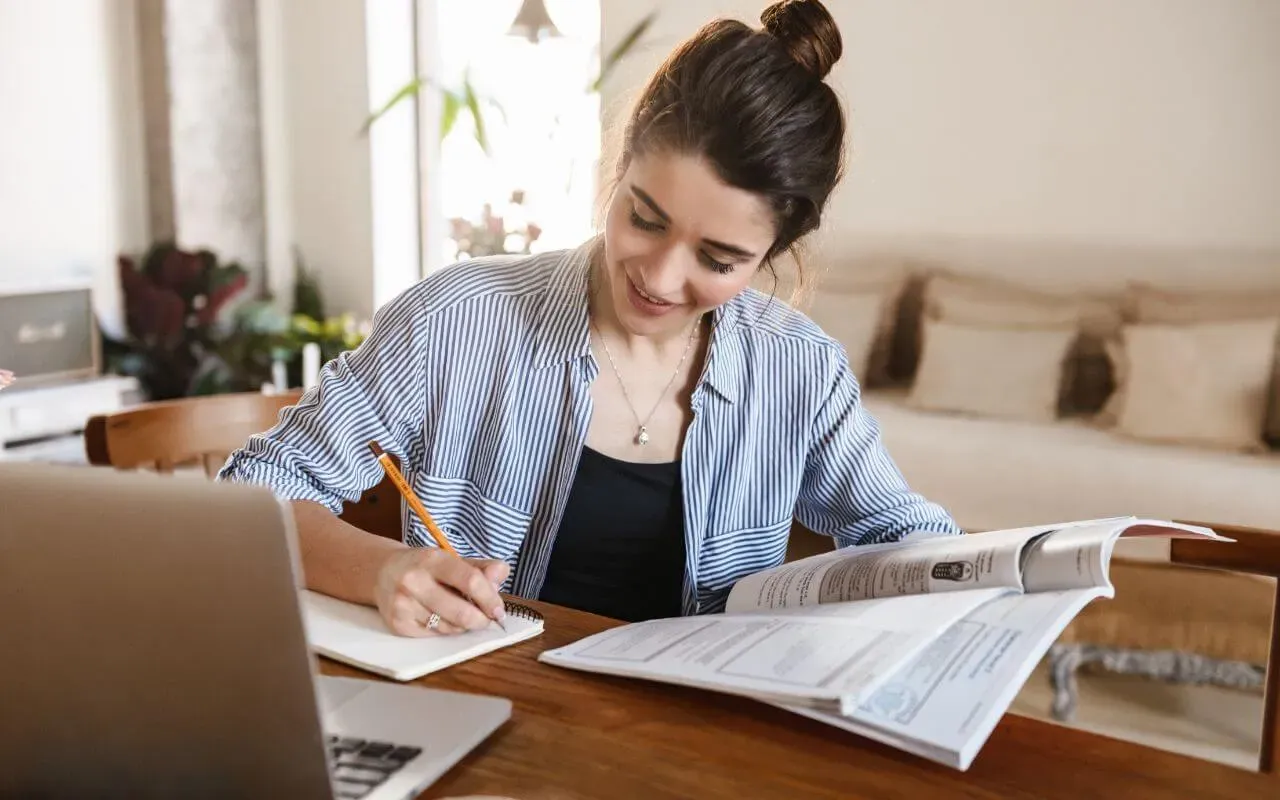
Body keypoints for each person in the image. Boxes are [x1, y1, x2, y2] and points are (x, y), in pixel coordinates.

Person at [218, 0, 961, 636]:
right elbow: (253, 494)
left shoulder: (800, 368)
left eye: (719, 258)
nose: (661, 277)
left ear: (775, 251)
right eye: (644, 218)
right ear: (620, 161)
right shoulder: (455, 322)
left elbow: (902, 536)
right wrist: (387, 570)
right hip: (493, 719)